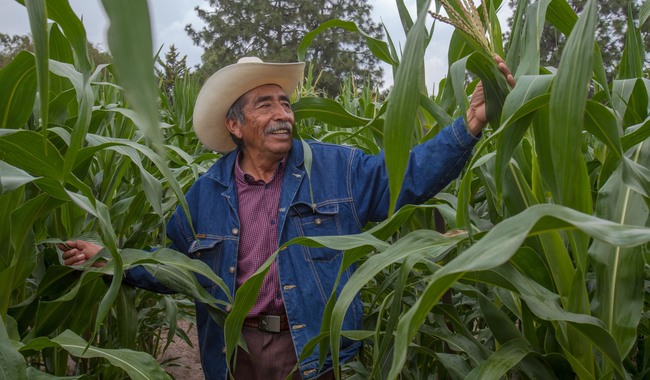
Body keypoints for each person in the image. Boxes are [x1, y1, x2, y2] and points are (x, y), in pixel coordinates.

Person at [60, 56, 515, 379]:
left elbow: (407, 179)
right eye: (265, 105)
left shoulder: (338, 169)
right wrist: (111, 259)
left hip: (317, 352)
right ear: (235, 126)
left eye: (285, 103)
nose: (283, 115)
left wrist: (469, 124)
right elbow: (174, 265)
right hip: (236, 353)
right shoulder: (202, 195)